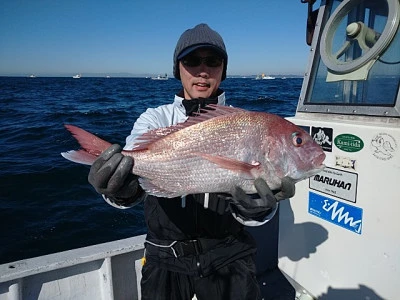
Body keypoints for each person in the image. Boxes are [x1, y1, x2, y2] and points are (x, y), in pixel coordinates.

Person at [88, 23, 295, 300]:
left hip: (230, 254)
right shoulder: (154, 119)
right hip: (164, 257)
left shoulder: (243, 122)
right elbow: (135, 180)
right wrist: (119, 191)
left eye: (213, 61)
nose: (202, 70)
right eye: (192, 61)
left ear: (223, 69)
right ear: (178, 68)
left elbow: (257, 206)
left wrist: (257, 211)